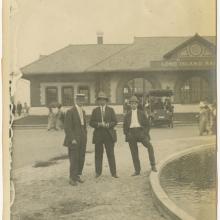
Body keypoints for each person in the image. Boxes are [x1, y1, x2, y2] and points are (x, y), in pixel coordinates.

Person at [123, 95, 157, 175]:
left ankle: (153, 165)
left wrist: (144, 133)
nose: (133, 105)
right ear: (130, 105)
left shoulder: (142, 113)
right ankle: (137, 170)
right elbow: (124, 127)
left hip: (140, 132)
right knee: (134, 152)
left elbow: (147, 125)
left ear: (137, 104)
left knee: (150, 146)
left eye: (135, 103)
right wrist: (128, 134)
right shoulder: (127, 115)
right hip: (131, 133)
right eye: (131, 103)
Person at [89, 91, 118, 178]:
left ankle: (114, 173)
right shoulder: (95, 110)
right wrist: (98, 124)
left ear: (106, 101)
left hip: (108, 135)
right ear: (98, 101)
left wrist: (109, 125)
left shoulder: (111, 110)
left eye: (103, 100)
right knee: (98, 154)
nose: (102, 101)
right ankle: (98, 172)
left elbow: (115, 121)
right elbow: (91, 123)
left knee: (111, 154)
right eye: (100, 100)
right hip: (98, 135)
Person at [63, 94, 87, 186]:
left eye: (82, 100)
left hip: (82, 138)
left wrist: (85, 135)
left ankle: (77, 175)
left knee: (81, 157)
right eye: (79, 100)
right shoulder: (70, 111)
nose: (81, 101)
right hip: (74, 139)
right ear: (76, 100)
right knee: (74, 158)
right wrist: (72, 138)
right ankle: (72, 178)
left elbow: (84, 125)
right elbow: (67, 127)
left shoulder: (83, 111)